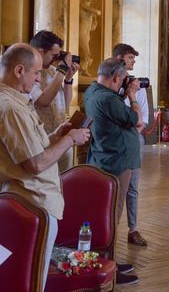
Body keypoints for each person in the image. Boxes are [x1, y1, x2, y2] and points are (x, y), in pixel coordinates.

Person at [0, 44, 90, 291]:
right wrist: (70, 140)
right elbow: (35, 164)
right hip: (32, 204)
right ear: (19, 70)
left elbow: (28, 149)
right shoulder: (10, 107)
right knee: (31, 280)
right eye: (37, 73)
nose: (40, 78)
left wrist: (55, 136)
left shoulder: (15, 101)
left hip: (32, 201)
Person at [84, 57, 143, 285]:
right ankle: (108, 265)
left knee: (108, 214)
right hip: (116, 162)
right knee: (112, 216)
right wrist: (132, 96)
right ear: (117, 77)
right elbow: (134, 118)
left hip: (108, 158)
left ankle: (111, 260)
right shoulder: (108, 98)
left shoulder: (93, 92)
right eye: (122, 79)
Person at [112, 43, 149, 247]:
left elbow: (142, 119)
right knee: (111, 187)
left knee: (133, 187)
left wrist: (130, 136)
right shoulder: (108, 84)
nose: (133, 61)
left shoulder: (137, 86)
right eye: (130, 58)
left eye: (134, 59)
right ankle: (109, 230)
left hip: (133, 140)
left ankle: (133, 229)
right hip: (113, 142)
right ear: (119, 59)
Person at [29, 30, 80, 172]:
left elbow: (65, 103)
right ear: (40, 51)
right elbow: (43, 101)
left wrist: (68, 78)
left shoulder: (53, 71)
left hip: (60, 136)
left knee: (64, 186)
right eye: (53, 55)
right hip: (42, 140)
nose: (55, 59)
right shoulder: (29, 73)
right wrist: (61, 71)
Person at [79, 0, 101, 74]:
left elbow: (91, 28)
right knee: (87, 53)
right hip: (82, 32)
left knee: (85, 54)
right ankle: (83, 70)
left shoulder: (89, 9)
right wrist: (97, 12)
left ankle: (84, 70)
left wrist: (93, 26)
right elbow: (96, 11)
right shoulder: (82, 5)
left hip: (87, 33)